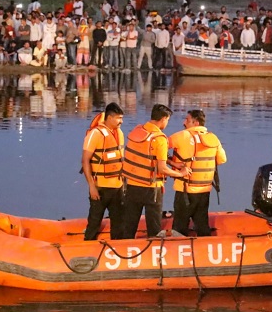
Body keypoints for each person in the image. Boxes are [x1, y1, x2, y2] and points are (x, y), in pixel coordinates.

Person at [121, 104, 191, 239]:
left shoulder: (138, 130)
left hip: (132, 185)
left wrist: (172, 162)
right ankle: (154, 254)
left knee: (130, 224)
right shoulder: (160, 139)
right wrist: (180, 173)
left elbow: (148, 155)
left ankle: (125, 248)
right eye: (168, 120)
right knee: (154, 227)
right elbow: (162, 168)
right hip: (151, 188)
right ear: (164, 119)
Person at [167, 110, 227, 237]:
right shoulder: (213, 138)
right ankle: (204, 249)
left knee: (179, 226)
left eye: (187, 120)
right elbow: (222, 160)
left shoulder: (182, 136)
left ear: (196, 122)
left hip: (185, 190)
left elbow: (160, 147)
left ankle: (178, 251)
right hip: (204, 190)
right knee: (202, 224)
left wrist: (170, 162)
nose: (184, 122)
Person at [82, 103, 126, 241]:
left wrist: (124, 184)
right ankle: (87, 249)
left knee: (118, 223)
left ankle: (117, 250)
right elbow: (85, 161)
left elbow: (121, 160)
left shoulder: (119, 133)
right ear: (110, 117)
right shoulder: (95, 134)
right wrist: (91, 186)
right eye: (119, 118)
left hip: (117, 187)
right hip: (100, 188)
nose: (121, 121)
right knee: (94, 222)